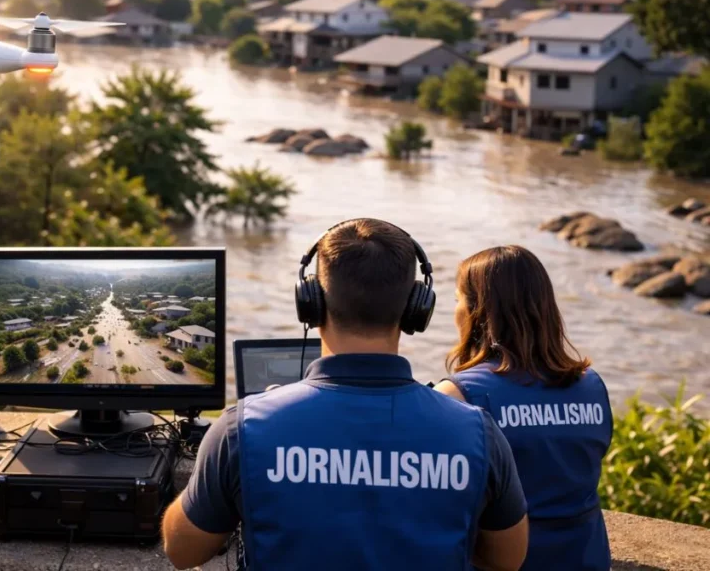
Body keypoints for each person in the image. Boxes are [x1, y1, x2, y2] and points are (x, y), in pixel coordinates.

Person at [162, 219, 529, 570]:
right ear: (417, 307)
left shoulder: (243, 428)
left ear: (311, 303)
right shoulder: (478, 433)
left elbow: (182, 550)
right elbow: (506, 559)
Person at [434, 245, 613, 571]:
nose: (455, 310)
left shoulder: (458, 395)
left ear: (477, 312)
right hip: (586, 558)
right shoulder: (592, 385)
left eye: (458, 299)